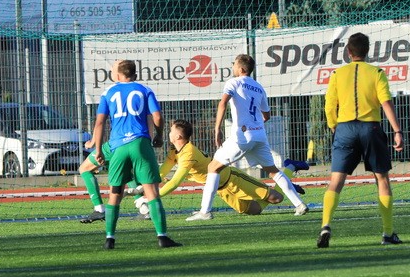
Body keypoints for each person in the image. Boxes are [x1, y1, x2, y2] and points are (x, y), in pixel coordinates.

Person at [187, 54, 308, 221]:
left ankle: (205, 212)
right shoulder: (259, 87)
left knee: (213, 168)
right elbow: (266, 115)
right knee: (274, 172)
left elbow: (222, 103)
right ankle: (299, 204)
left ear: (241, 69)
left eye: (234, 65)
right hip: (259, 135)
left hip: (242, 136)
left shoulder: (233, 82)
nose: (233, 68)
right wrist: (255, 124)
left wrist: (217, 129)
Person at [318, 32, 404, 248]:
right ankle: (387, 233)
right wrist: (397, 131)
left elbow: (329, 104)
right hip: (370, 128)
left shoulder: (337, 74)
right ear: (368, 51)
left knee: (336, 181)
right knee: (382, 179)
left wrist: (334, 125)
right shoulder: (376, 73)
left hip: (344, 128)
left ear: (348, 52)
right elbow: (385, 103)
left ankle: (325, 225)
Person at [92, 59, 181, 249]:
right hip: (140, 143)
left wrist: (98, 149)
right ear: (135, 74)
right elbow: (157, 116)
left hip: (118, 147)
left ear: (118, 75)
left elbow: (99, 123)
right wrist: (158, 136)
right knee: (151, 191)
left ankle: (109, 239)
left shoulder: (108, 92)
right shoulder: (145, 90)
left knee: (115, 194)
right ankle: (162, 237)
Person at [140, 119, 308, 218]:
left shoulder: (188, 153)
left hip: (233, 179)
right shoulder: (174, 150)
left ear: (178, 135)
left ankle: (289, 167)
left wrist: (151, 196)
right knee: (255, 211)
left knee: (276, 198)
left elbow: (176, 181)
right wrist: (147, 184)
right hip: (221, 189)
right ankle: (288, 184)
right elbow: (163, 170)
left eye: (170, 131)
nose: (168, 133)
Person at [78, 139, 142, 224]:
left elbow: (99, 130)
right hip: (136, 143)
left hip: (115, 144)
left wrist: (92, 143)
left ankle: (99, 209)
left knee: (84, 169)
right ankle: (144, 208)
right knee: (125, 171)